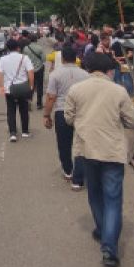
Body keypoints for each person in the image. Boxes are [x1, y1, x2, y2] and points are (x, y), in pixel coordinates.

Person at [63, 52, 134, 267]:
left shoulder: (76, 90)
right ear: (110, 71)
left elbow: (68, 118)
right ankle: (109, 249)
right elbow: (132, 121)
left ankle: (102, 228)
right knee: (113, 199)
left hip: (86, 150)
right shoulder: (118, 91)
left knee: (95, 194)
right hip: (112, 152)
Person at [43, 44, 90, 186]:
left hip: (62, 112)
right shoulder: (85, 74)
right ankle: (80, 173)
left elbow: (51, 97)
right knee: (81, 144)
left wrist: (46, 115)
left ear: (62, 58)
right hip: (82, 112)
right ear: (75, 58)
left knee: (64, 143)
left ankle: (68, 170)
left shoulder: (55, 75)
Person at [0, 39, 35, 142]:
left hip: (9, 89)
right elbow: (30, 73)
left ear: (7, 48)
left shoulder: (3, 59)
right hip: (23, 88)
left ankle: (13, 133)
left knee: (11, 111)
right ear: (18, 47)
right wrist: (31, 86)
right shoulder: (24, 58)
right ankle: (25, 131)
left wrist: (0, 87)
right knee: (24, 110)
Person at [22, 32, 48, 110]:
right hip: (39, 69)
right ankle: (39, 104)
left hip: (29, 70)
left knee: (30, 86)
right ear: (36, 39)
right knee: (40, 86)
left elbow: (24, 60)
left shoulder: (25, 48)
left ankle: (29, 101)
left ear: (29, 39)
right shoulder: (40, 48)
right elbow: (44, 59)